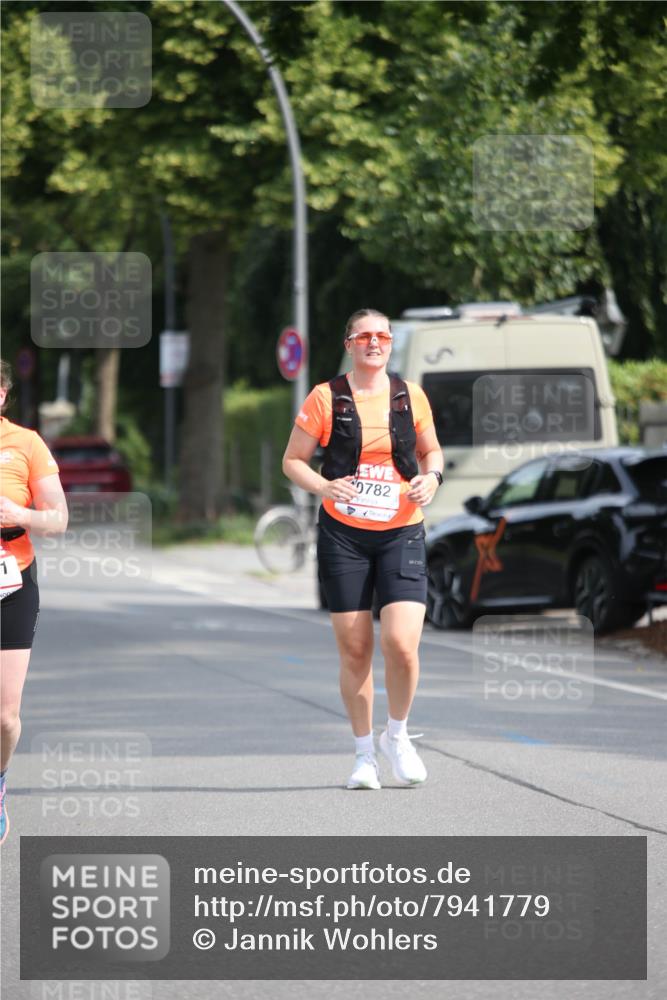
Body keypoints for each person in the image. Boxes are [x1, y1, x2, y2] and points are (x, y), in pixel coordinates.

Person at [282, 309, 443, 789]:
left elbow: (432, 452)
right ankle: (363, 756)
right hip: (344, 536)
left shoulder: (409, 395)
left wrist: (431, 478)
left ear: (390, 343)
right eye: (364, 336)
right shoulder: (325, 398)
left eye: (382, 336)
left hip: (401, 531)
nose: (374, 343)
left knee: (401, 645)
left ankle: (398, 735)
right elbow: (293, 461)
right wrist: (324, 486)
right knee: (355, 650)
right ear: (350, 344)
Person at [0, 359, 68, 843]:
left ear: (2, 395)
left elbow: (58, 518)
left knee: (4, 715)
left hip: (11, 582)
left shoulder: (26, 444)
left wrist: (18, 512)